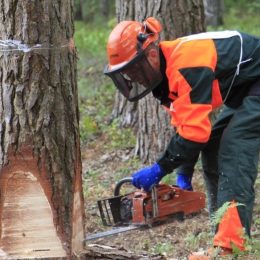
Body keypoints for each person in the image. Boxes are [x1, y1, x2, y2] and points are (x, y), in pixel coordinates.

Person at [104, 17, 260, 258]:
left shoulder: (185, 65)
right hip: (245, 88)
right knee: (214, 149)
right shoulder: (165, 81)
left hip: (255, 81)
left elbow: (195, 133)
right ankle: (221, 234)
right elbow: (186, 127)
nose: (134, 78)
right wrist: (183, 172)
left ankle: (230, 247)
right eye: (127, 73)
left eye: (135, 69)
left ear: (151, 54)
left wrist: (160, 168)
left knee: (233, 147)